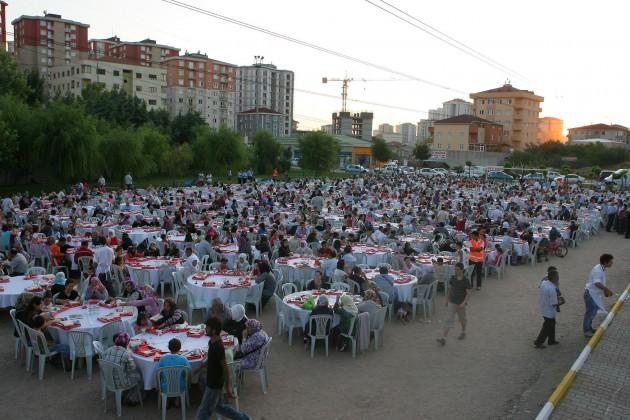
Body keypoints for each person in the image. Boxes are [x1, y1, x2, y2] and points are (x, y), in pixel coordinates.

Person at [194, 317, 250, 420]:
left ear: (214, 330)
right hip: (212, 381)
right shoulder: (211, 342)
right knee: (219, 407)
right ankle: (244, 418)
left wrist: (228, 388)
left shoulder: (218, 347)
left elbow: (225, 369)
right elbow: (210, 359)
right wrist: (197, 370)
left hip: (214, 384)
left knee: (203, 412)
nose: (205, 329)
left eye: (208, 327)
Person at [101, 332, 143, 405]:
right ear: (127, 343)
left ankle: (124, 394)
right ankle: (132, 398)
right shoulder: (126, 354)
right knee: (139, 376)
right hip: (121, 382)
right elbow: (133, 368)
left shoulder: (108, 350)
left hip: (109, 379)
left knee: (123, 370)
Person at [437, 263, 471, 346]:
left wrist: (464, 303)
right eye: (455, 269)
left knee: (462, 320)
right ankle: (443, 338)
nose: (456, 271)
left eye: (458, 269)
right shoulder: (453, 278)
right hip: (452, 302)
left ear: (462, 270)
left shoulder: (466, 280)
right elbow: (450, 289)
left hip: (460, 304)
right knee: (448, 319)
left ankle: (463, 332)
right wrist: (447, 300)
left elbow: (469, 293)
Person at [583, 254, 614, 337]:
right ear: (605, 262)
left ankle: (589, 328)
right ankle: (586, 331)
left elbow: (599, 282)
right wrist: (606, 289)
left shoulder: (601, 268)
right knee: (590, 313)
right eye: (610, 261)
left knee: (593, 312)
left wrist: (604, 290)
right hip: (590, 294)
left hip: (594, 294)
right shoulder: (598, 270)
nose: (612, 263)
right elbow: (596, 283)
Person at [534, 270, 560, 348]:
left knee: (551, 324)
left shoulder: (544, 283)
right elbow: (554, 303)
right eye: (557, 277)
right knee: (547, 326)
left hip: (543, 307)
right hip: (549, 311)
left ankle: (551, 340)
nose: (558, 278)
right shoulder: (551, 289)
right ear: (554, 278)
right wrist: (561, 302)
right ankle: (538, 342)